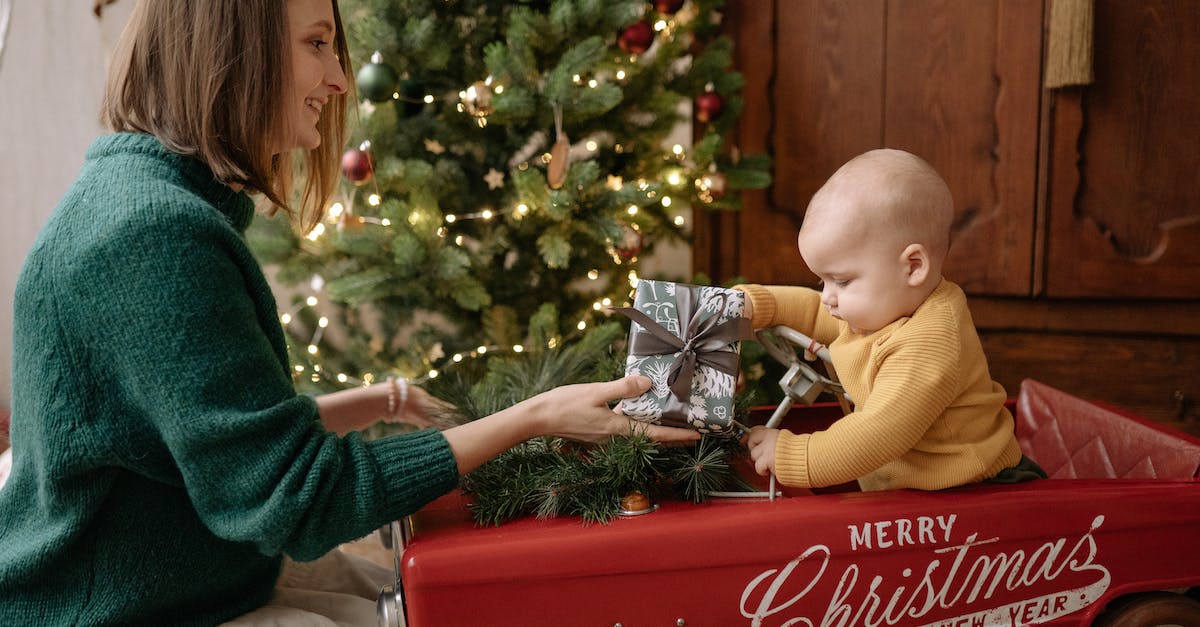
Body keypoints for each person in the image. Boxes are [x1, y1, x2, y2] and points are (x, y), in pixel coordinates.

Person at [0, 1, 699, 625]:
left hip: (187, 571)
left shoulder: (140, 197)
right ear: (232, 48)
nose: (338, 80)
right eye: (317, 43)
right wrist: (534, 417)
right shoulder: (153, 237)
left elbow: (203, 439)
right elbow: (298, 501)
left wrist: (370, 401)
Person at [739, 148, 1039, 493]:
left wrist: (795, 455)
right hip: (910, 488)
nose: (828, 296)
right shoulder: (883, 307)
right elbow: (815, 312)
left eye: (843, 281)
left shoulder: (930, 340)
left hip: (975, 491)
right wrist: (758, 304)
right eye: (822, 281)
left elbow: (878, 432)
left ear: (913, 267)